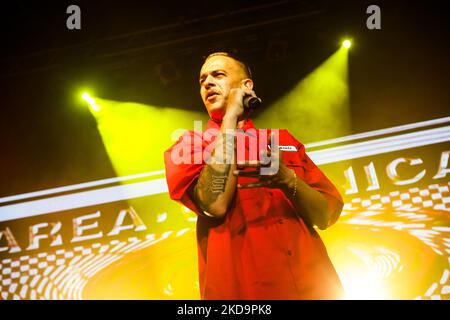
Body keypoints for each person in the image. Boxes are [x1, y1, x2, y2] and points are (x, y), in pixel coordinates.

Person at [164, 52, 344, 299]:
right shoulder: (189, 144)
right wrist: (229, 118)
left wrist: (286, 179)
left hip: (315, 289)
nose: (207, 83)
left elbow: (326, 215)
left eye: (218, 75)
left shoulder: (282, 140)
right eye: (202, 79)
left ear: (246, 86)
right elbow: (213, 205)